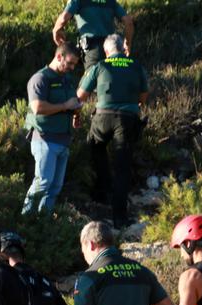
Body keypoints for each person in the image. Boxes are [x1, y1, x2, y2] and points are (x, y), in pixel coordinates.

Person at [77, 34, 148, 229]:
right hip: (127, 119)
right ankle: (120, 219)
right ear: (123, 48)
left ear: (106, 51)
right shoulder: (136, 65)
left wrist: (75, 115)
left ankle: (101, 192)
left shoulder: (99, 66)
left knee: (95, 147)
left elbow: (80, 95)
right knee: (122, 168)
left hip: (102, 117)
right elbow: (143, 96)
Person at [22, 43, 82, 215]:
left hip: (63, 140)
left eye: (74, 65)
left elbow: (72, 102)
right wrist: (65, 106)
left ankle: (43, 223)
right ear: (58, 57)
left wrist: (76, 112)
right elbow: (37, 107)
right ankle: (26, 219)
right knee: (42, 182)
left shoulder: (66, 79)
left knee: (55, 187)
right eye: (69, 63)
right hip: (45, 139)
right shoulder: (40, 78)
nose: (71, 68)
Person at [52, 0, 134, 70]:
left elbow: (63, 19)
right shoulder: (110, 1)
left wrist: (56, 31)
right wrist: (127, 43)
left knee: (92, 83)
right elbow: (128, 22)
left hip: (92, 49)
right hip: (111, 48)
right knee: (113, 81)